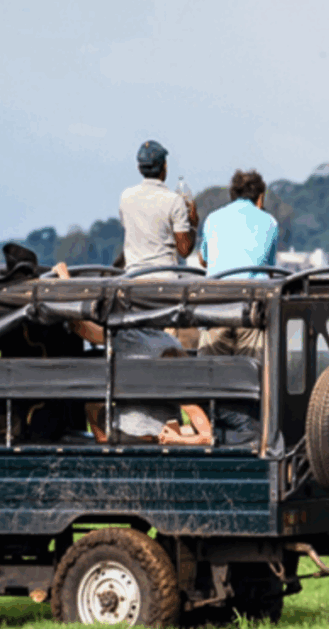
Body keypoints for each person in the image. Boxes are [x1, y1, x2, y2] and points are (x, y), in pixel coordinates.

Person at [52, 262, 212, 445]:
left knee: (92, 406)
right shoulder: (170, 341)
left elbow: (80, 326)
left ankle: (104, 445)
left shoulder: (127, 338)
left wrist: (65, 281)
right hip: (166, 430)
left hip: (131, 434)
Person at [197, 170, 278, 358]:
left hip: (215, 307)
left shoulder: (213, 218)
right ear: (260, 198)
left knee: (209, 375)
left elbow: (204, 260)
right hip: (251, 309)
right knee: (252, 377)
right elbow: (269, 269)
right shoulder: (269, 222)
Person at [119, 140, 199, 277]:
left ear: (139, 168)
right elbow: (184, 250)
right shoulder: (174, 200)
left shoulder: (126, 197)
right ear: (165, 167)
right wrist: (193, 225)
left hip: (133, 279)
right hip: (165, 281)